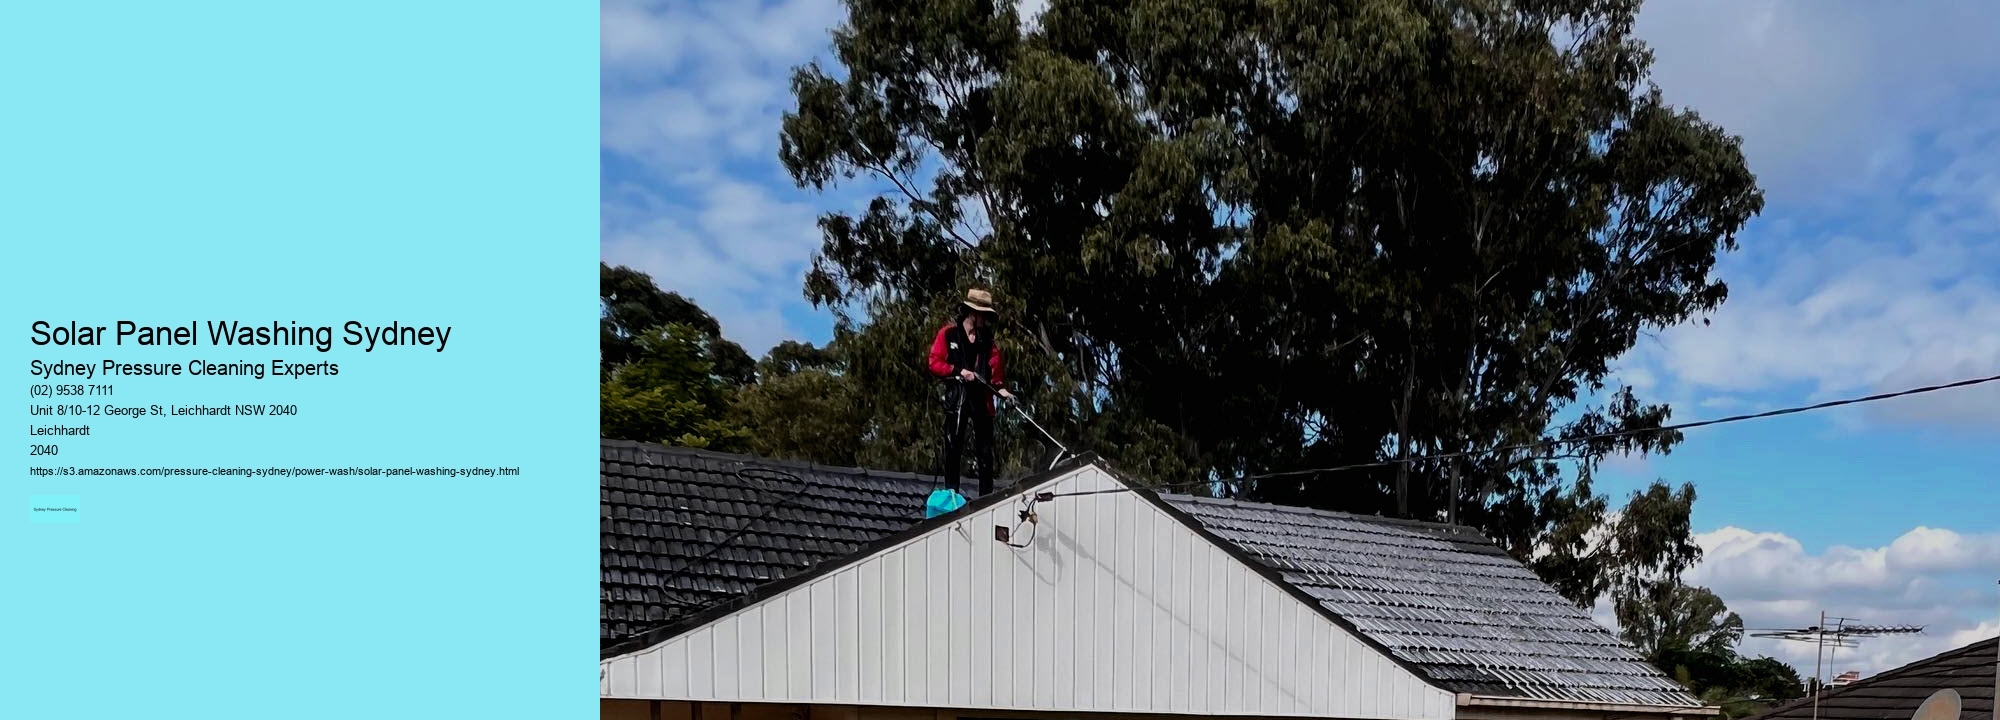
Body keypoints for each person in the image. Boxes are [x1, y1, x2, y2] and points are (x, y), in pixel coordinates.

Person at [927, 287, 1013, 495]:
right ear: (972, 313)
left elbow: (995, 376)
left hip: (981, 400)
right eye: (983, 314)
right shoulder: (948, 334)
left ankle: (986, 496)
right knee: (953, 446)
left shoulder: (989, 343)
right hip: (957, 399)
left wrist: (1002, 391)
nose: (985, 319)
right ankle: (951, 495)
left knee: (985, 452)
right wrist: (957, 371)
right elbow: (934, 362)